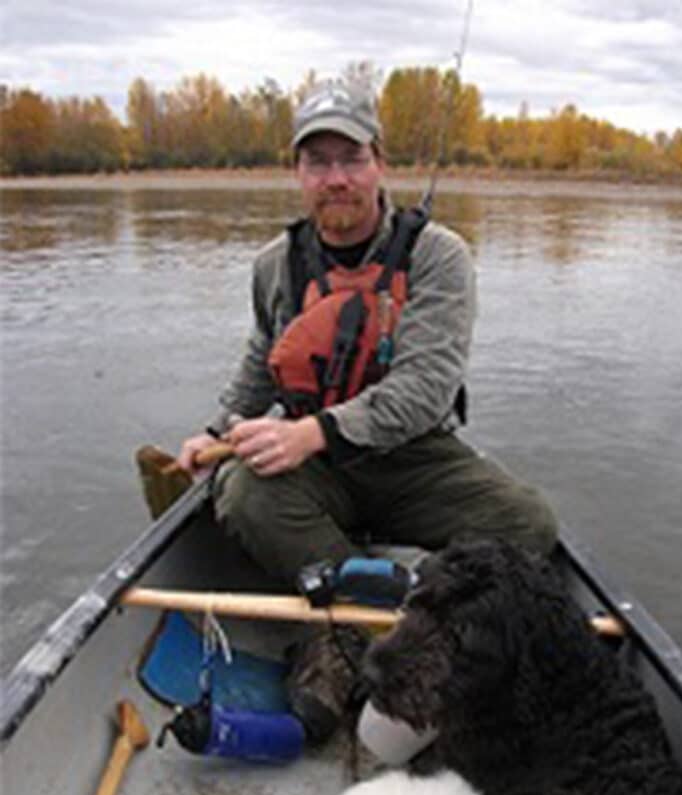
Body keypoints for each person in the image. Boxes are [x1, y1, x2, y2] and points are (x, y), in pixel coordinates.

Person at [177, 81, 558, 739]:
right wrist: (216, 430)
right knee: (239, 492)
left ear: (379, 163)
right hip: (317, 470)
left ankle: (356, 609)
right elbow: (262, 359)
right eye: (317, 162)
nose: (336, 178)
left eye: (351, 159)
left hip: (413, 458)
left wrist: (313, 433)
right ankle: (351, 627)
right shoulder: (275, 264)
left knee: (528, 525)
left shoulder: (438, 256)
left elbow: (426, 388)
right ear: (298, 173)